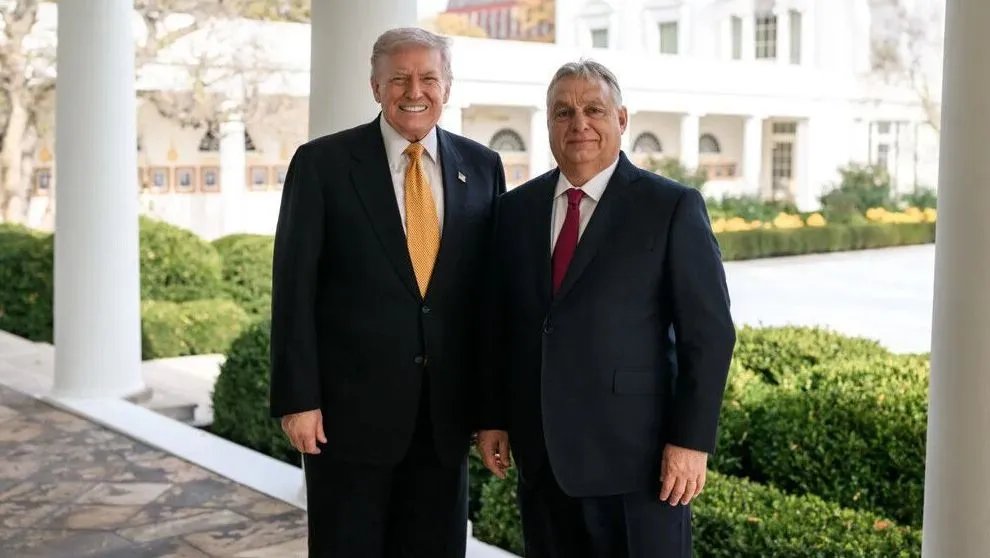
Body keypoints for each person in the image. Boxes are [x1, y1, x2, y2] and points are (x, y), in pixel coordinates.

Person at [476, 60, 736, 558]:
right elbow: (497, 324)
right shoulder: (514, 211)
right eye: (563, 112)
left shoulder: (671, 207)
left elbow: (709, 335)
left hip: (640, 465)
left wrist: (691, 442)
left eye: (594, 109)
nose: (579, 123)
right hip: (544, 461)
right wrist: (493, 417)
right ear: (548, 123)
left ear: (621, 119)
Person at [269, 27, 506, 558]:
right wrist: (298, 399)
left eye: (428, 78)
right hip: (346, 421)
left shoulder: (483, 167)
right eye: (399, 78)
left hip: (444, 422)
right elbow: (293, 288)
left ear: (447, 86)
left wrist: (492, 412)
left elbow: (489, 303)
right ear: (376, 87)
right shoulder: (322, 164)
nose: (414, 91)